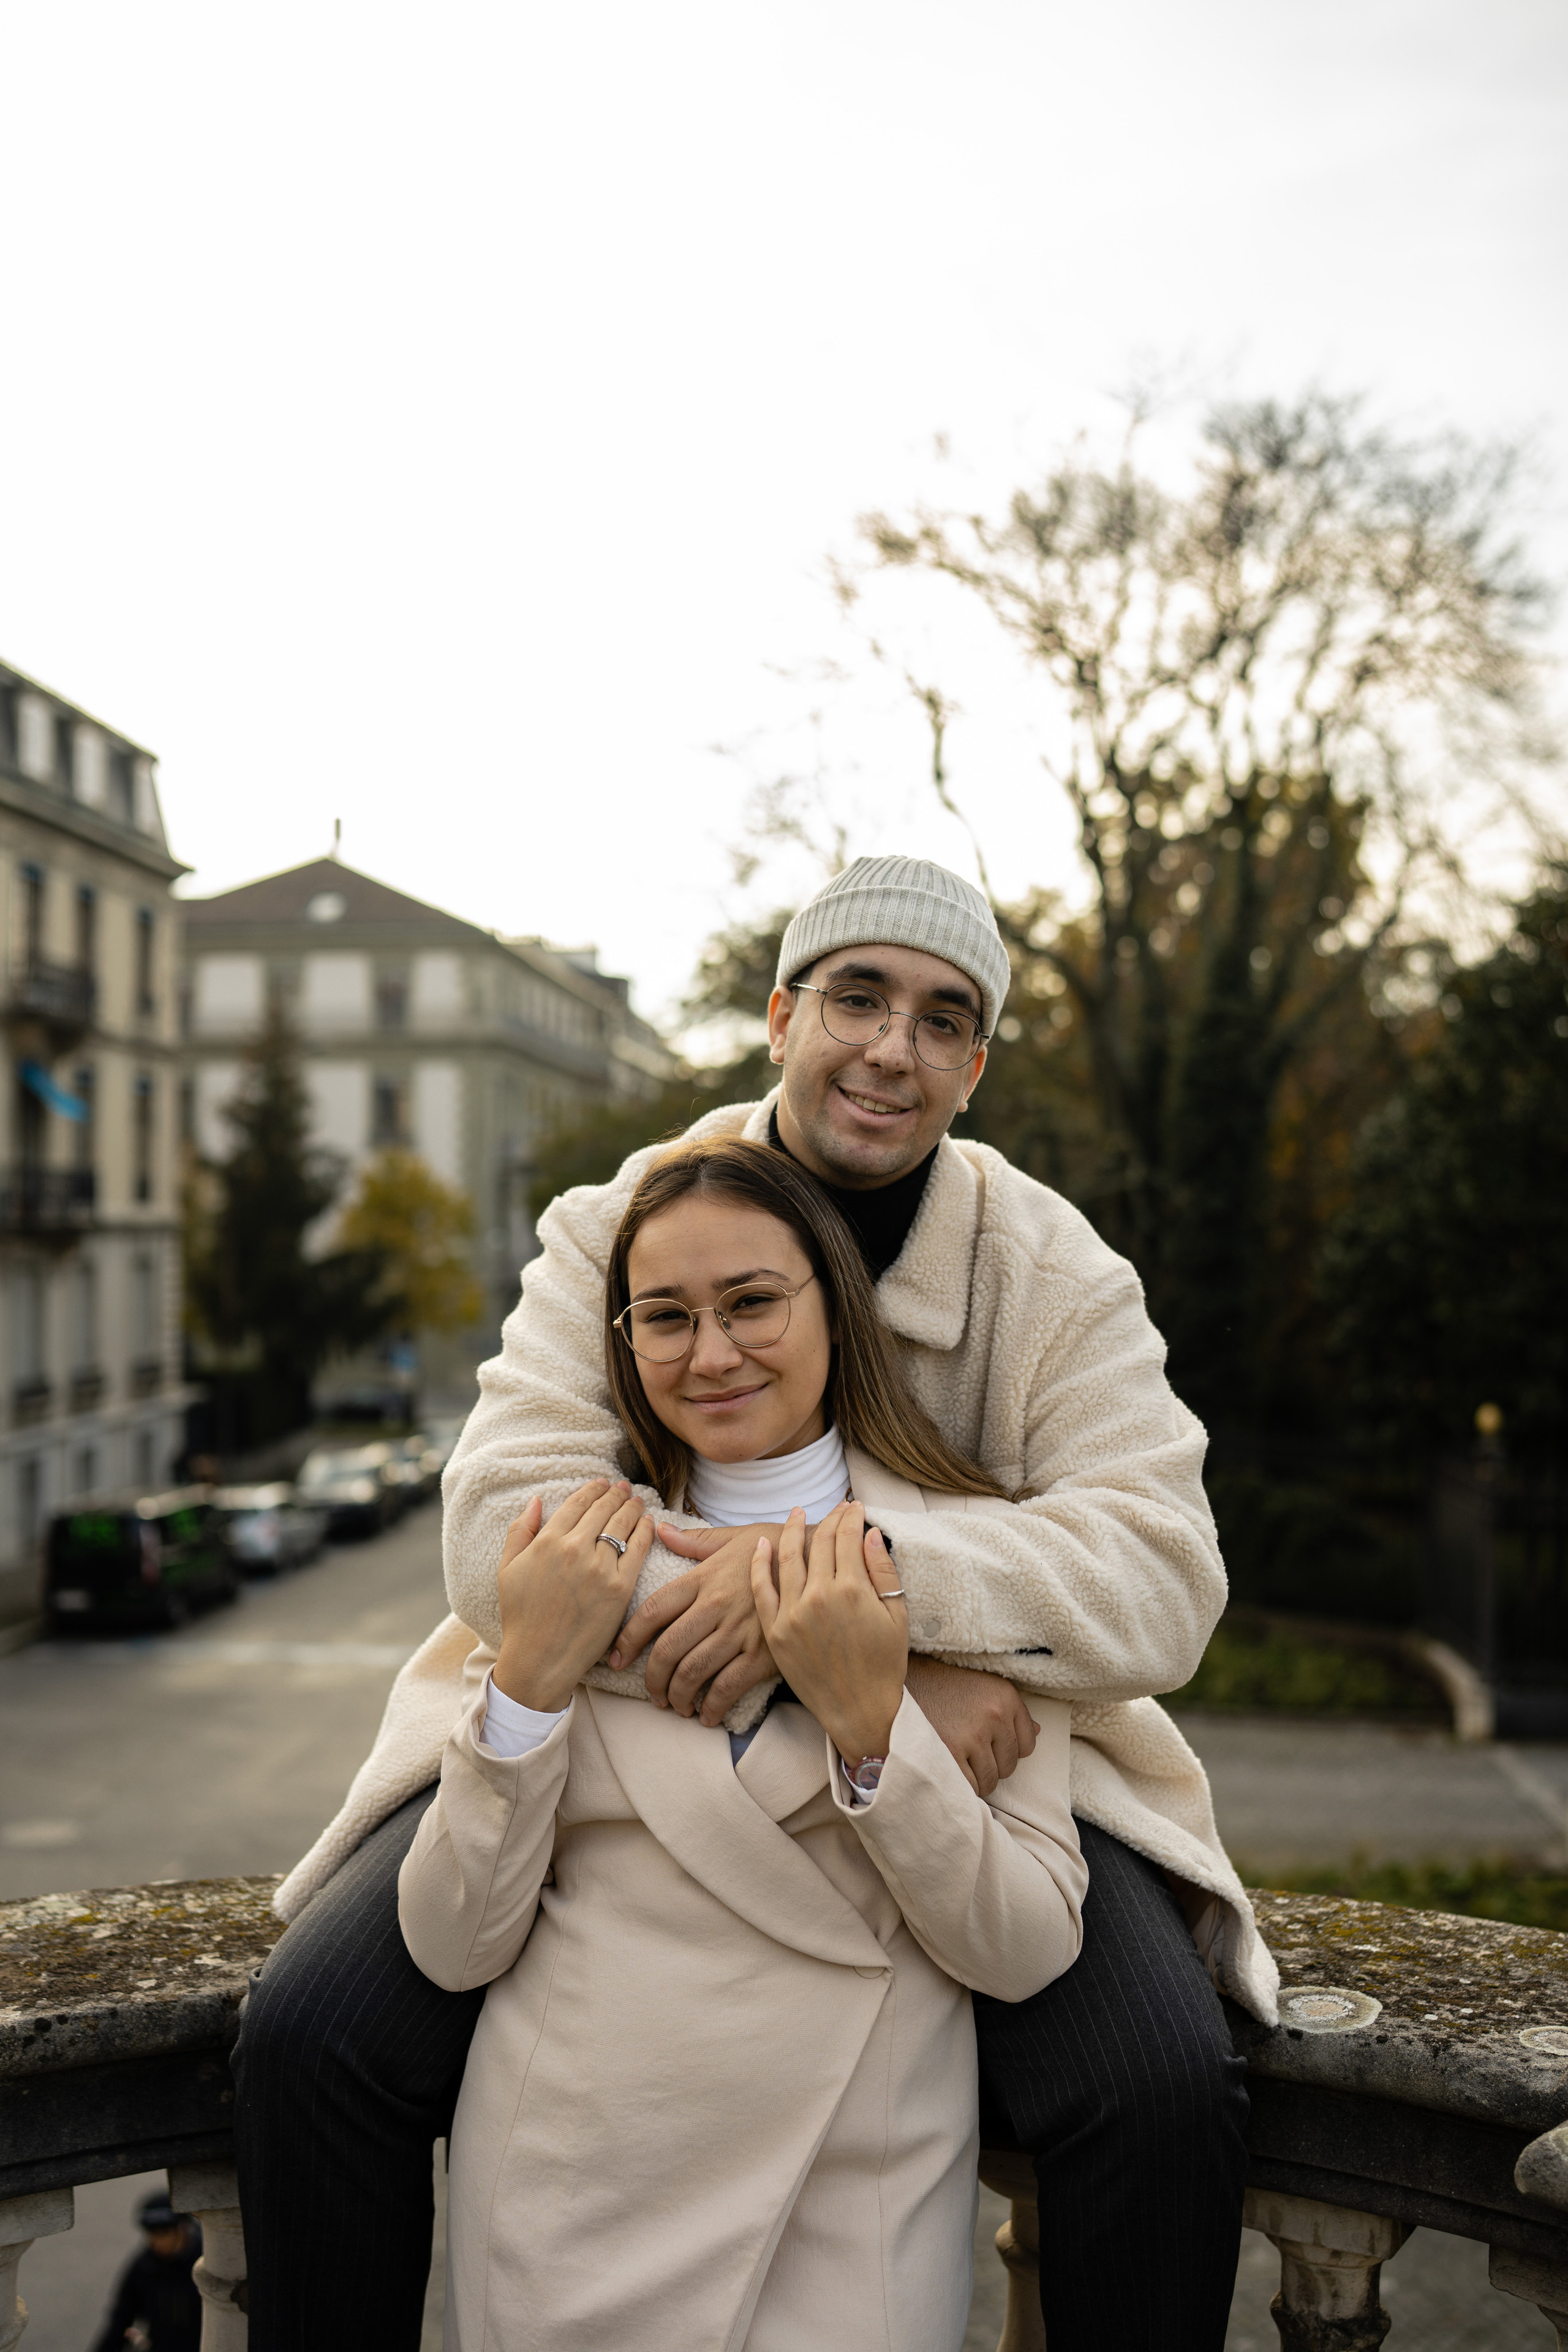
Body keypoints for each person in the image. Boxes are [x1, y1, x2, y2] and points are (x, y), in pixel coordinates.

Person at [236, 853, 1277, 2351]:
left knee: (1163, 2086)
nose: (888, 1049)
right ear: (779, 1014)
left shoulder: (1053, 1269)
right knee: (312, 2036)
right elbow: (491, 1533)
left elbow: (1164, 1577)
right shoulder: (615, 1221)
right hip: (608, 1716)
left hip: (972, 1762)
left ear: (973, 1066)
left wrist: (879, 1598)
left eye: (940, 1019)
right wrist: (856, 1651)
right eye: (855, 997)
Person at [399, 1137, 1088, 2347]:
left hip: (844, 2202)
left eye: (752, 1303)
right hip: (564, 2191)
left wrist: (876, 1734)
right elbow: (454, 1944)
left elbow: (1025, 1951)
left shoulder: (970, 1566)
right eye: (662, 1317)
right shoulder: (571, 1553)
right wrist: (527, 1681)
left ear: (835, 1303)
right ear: (621, 1347)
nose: (709, 1354)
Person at [89, 2192, 202, 2352]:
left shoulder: (206, 2262)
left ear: (183, 2228)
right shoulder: (145, 2267)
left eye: (164, 2233)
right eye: (151, 2234)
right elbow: (121, 2320)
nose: (156, 2241)